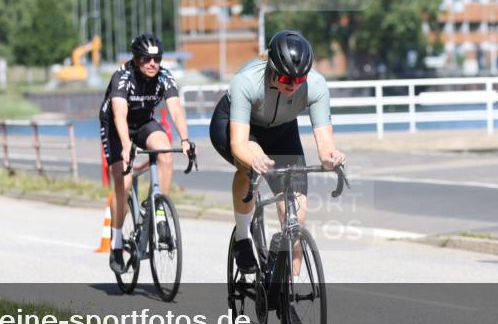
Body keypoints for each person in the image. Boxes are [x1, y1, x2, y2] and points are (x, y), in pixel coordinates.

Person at [210, 31, 346, 278]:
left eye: (299, 79)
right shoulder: (246, 81)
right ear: (271, 67)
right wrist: (253, 158)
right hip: (239, 126)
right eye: (285, 77)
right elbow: (239, 143)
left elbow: (326, 144)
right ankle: (243, 238)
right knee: (249, 167)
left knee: (297, 217)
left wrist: (331, 157)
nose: (292, 85)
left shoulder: (315, 85)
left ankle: (287, 292)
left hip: (282, 130)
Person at [100, 33, 194, 273]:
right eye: (146, 59)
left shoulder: (164, 76)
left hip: (143, 122)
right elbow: (119, 115)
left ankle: (159, 211)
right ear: (135, 59)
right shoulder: (122, 78)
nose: (153, 63)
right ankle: (117, 241)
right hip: (115, 127)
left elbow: (176, 110)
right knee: (124, 180)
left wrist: (185, 139)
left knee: (165, 152)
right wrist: (125, 144)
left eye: (157, 58)